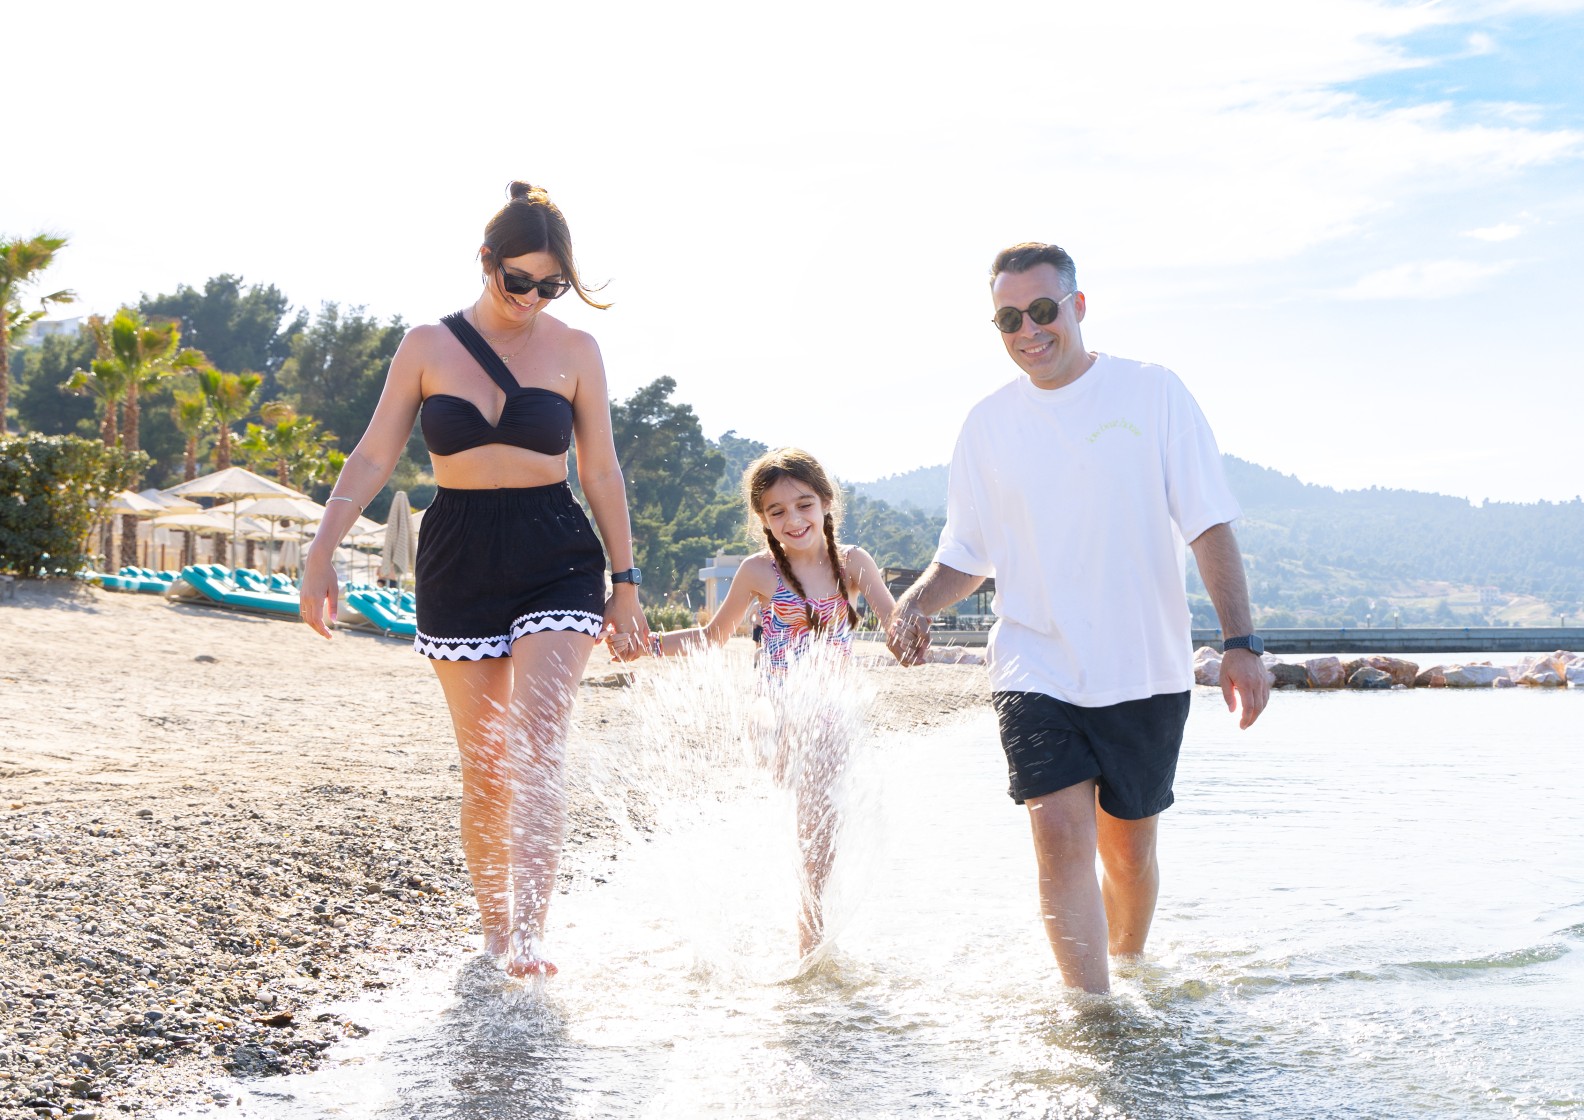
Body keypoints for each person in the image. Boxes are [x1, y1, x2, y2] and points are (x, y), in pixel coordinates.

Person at [886, 242, 1269, 994]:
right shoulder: (987, 424)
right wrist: (916, 602)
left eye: (1041, 310)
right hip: (1035, 662)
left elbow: (1208, 522)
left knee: (1127, 854)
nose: (1027, 330)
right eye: (1007, 318)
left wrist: (1240, 643)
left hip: (1144, 665)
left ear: (1078, 307)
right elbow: (968, 551)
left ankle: (1128, 973)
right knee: (1060, 837)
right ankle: (1091, 1016)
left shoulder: (1152, 393)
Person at [300, 181, 648, 979]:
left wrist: (625, 581)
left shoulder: (576, 352)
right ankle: (495, 934)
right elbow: (374, 454)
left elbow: (601, 471)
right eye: (517, 279)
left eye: (550, 286)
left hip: (556, 549)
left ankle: (530, 935)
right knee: (486, 765)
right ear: (484, 261)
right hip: (457, 551)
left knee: (535, 747)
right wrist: (322, 548)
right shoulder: (427, 345)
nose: (531, 298)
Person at [634, 448, 897, 955]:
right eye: (777, 512)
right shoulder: (759, 572)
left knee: (819, 812)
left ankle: (811, 923)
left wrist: (931, 637)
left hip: (830, 711)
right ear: (763, 521)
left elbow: (896, 631)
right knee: (809, 806)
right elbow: (712, 637)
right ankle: (807, 915)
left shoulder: (854, 564)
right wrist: (642, 647)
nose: (793, 519)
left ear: (825, 503)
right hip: (772, 708)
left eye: (803, 505)